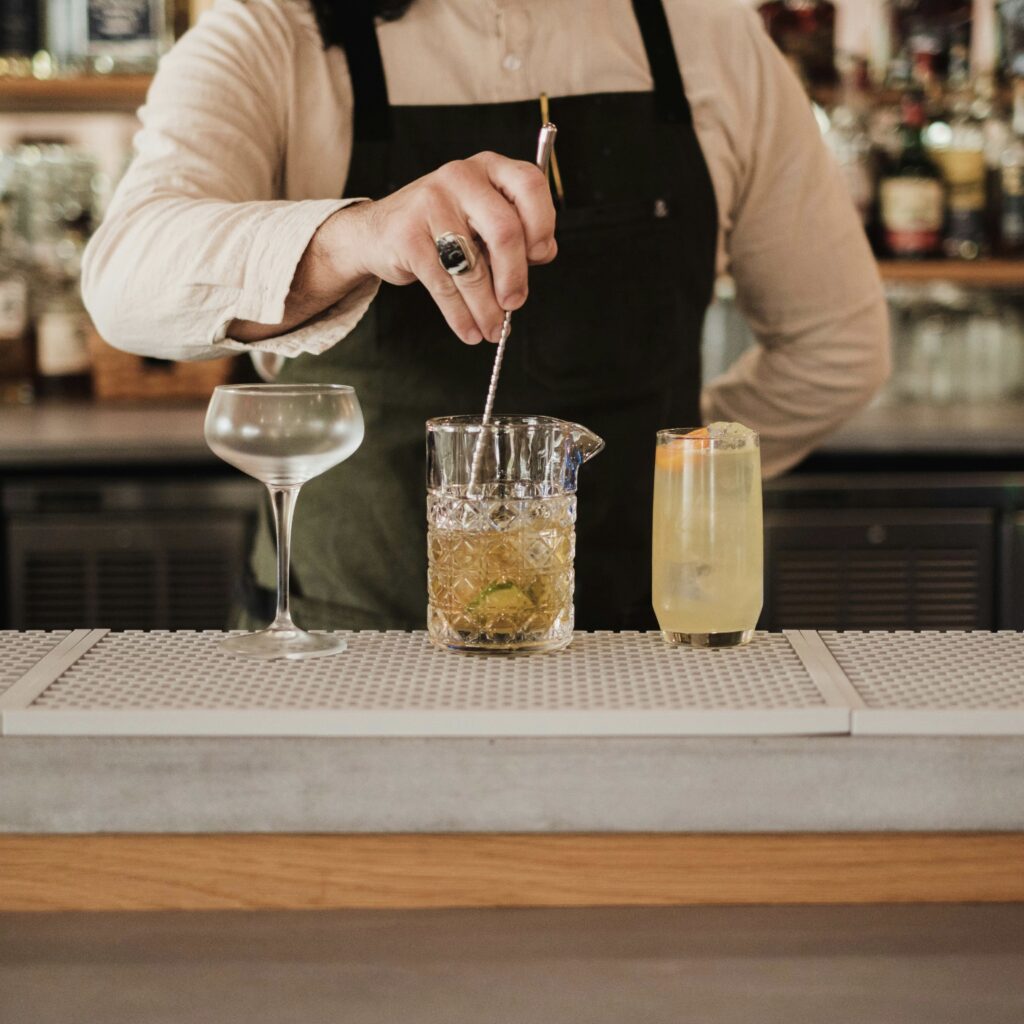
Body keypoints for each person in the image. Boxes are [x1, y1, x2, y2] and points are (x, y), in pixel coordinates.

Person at [82, 0, 890, 632]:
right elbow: (125, 284)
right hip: (346, 646)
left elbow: (837, 346)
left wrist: (681, 479)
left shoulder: (716, 40)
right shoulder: (272, 35)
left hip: (648, 656)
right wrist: (354, 237)